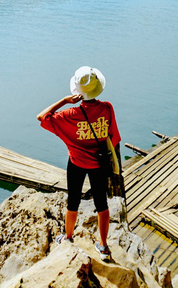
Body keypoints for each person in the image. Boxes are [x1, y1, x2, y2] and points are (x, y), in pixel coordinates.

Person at [37, 66, 121, 261]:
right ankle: (104, 246)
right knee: (102, 203)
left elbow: (42, 117)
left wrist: (64, 101)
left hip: (76, 162)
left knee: (73, 200)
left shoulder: (70, 115)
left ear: (78, 91)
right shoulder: (107, 108)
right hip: (99, 164)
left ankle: (67, 237)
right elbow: (113, 137)